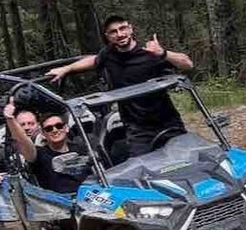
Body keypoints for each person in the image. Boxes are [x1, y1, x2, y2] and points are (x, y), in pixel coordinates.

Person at [45, 14, 193, 157]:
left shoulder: (150, 52)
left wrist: (163, 53)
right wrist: (66, 69)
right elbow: (93, 60)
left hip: (168, 122)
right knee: (143, 172)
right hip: (137, 129)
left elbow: (187, 64)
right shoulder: (108, 54)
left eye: (123, 29)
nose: (120, 34)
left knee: (187, 162)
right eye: (114, 32)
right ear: (108, 36)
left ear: (130, 29)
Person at [3, 100, 90, 196]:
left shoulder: (82, 149)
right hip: (57, 205)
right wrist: (10, 119)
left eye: (59, 126)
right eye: (49, 128)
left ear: (66, 128)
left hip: (88, 198)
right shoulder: (39, 155)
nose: (55, 130)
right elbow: (23, 141)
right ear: (43, 134)